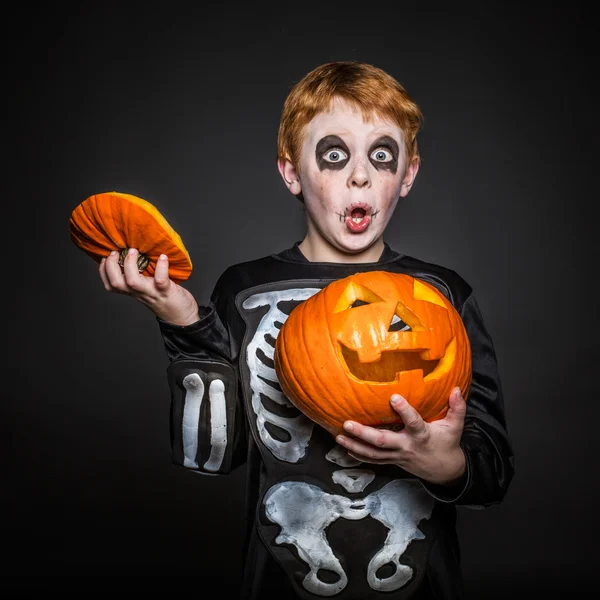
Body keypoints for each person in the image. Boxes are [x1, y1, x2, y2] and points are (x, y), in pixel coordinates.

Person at [98, 61, 514, 599]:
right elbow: (213, 455)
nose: (359, 175)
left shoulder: (442, 293)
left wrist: (446, 464)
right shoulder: (245, 291)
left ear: (407, 174)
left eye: (381, 156)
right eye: (335, 155)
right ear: (292, 172)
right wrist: (182, 321)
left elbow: (493, 473)